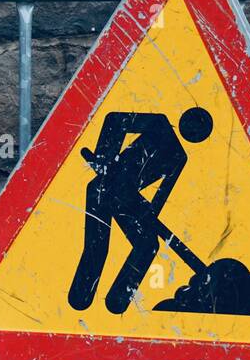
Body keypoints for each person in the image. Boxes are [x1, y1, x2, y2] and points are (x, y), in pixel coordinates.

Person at [68, 106, 213, 314]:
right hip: (101, 188)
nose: (194, 130)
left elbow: (162, 194)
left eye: (199, 130)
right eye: (194, 124)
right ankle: (80, 297)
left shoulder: (180, 157)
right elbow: (115, 120)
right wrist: (105, 157)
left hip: (128, 200)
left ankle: (117, 300)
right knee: (97, 245)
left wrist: (149, 215)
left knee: (147, 244)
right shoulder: (159, 124)